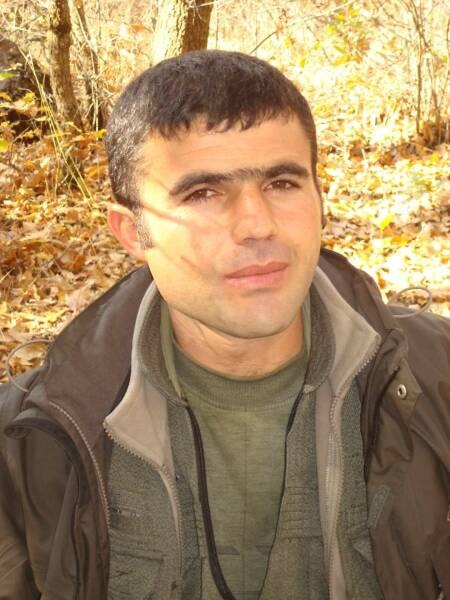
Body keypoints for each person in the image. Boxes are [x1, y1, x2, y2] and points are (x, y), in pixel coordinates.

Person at [0, 50, 449, 600]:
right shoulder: (29, 444)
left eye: (282, 183)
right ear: (133, 232)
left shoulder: (435, 382)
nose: (257, 224)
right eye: (203, 193)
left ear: (319, 196)